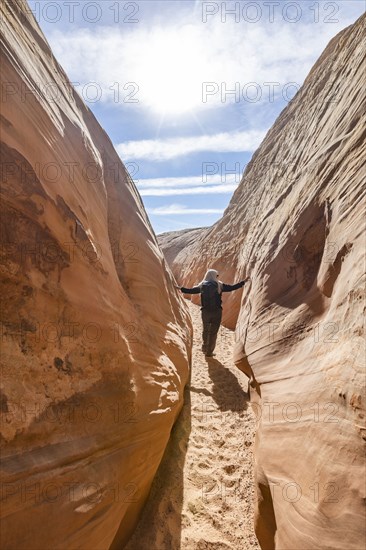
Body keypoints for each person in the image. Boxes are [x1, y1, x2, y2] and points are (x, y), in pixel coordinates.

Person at [177, 269, 249, 357]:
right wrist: (243, 282)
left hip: (205, 312)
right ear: (214, 276)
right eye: (217, 276)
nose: (217, 277)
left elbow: (191, 291)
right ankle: (209, 352)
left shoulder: (202, 285)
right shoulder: (219, 285)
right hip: (217, 312)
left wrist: (180, 288)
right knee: (213, 332)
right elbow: (232, 288)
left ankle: (204, 347)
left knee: (206, 330)